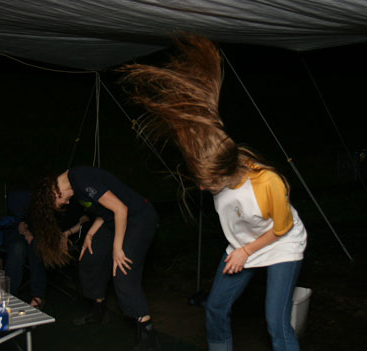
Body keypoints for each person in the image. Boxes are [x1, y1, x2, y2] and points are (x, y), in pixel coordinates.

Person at [119, 35, 307, 351]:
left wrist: (246, 252)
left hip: (281, 242)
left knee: (276, 322)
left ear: (225, 174)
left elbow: (282, 228)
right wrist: (242, 249)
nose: (203, 189)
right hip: (241, 245)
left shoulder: (268, 183)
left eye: (208, 183)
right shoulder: (218, 159)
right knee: (216, 308)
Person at [29, 166, 160, 351]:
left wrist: (117, 248)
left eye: (60, 203)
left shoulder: (82, 179)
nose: (65, 204)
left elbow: (120, 209)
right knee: (91, 257)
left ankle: (148, 336)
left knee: (122, 269)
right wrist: (90, 234)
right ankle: (98, 311)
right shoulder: (75, 187)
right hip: (114, 219)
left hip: (138, 218)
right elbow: (105, 211)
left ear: (54, 193)